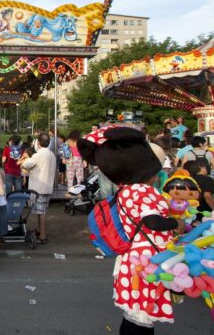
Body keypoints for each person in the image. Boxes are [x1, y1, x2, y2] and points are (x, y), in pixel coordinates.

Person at [77, 126, 181, 334]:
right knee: (143, 316)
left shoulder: (125, 190)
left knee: (135, 314)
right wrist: (176, 224)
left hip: (133, 258)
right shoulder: (143, 190)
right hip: (147, 259)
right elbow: (151, 221)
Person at [18, 133, 56, 244]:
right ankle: (40, 231)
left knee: (42, 213)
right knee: (42, 211)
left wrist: (24, 158)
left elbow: (26, 165)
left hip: (39, 188)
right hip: (48, 187)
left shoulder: (38, 154)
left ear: (38, 143)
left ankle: (43, 236)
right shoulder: (51, 154)